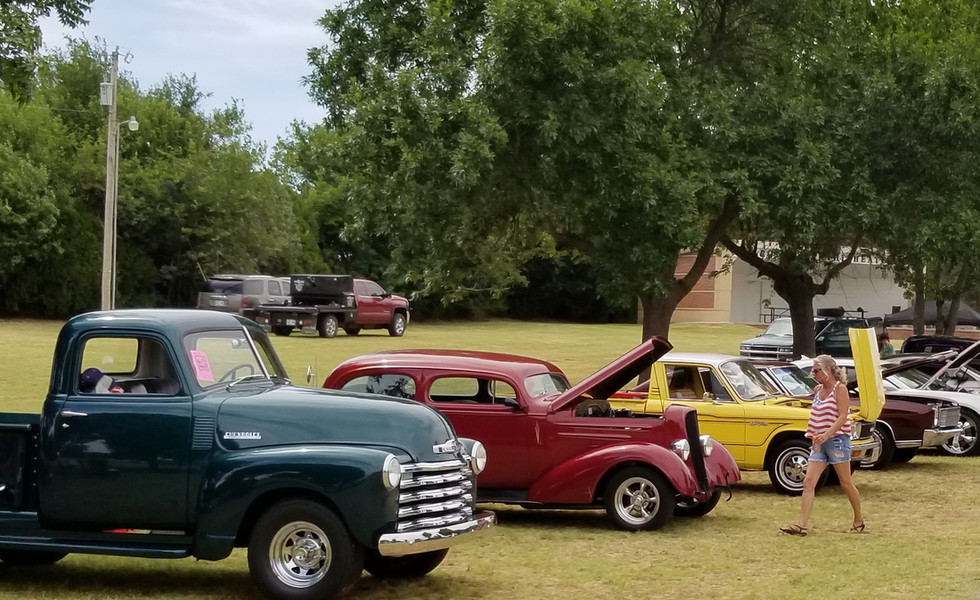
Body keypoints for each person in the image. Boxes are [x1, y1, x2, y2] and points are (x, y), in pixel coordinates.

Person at [780, 355, 865, 536]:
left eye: (817, 370)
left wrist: (827, 434)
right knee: (808, 481)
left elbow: (843, 416)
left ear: (827, 370)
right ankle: (801, 525)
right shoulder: (818, 390)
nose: (814, 373)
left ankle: (859, 520)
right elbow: (817, 416)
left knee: (845, 482)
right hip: (818, 442)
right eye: (813, 370)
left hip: (836, 441)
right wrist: (816, 436)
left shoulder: (839, 389)